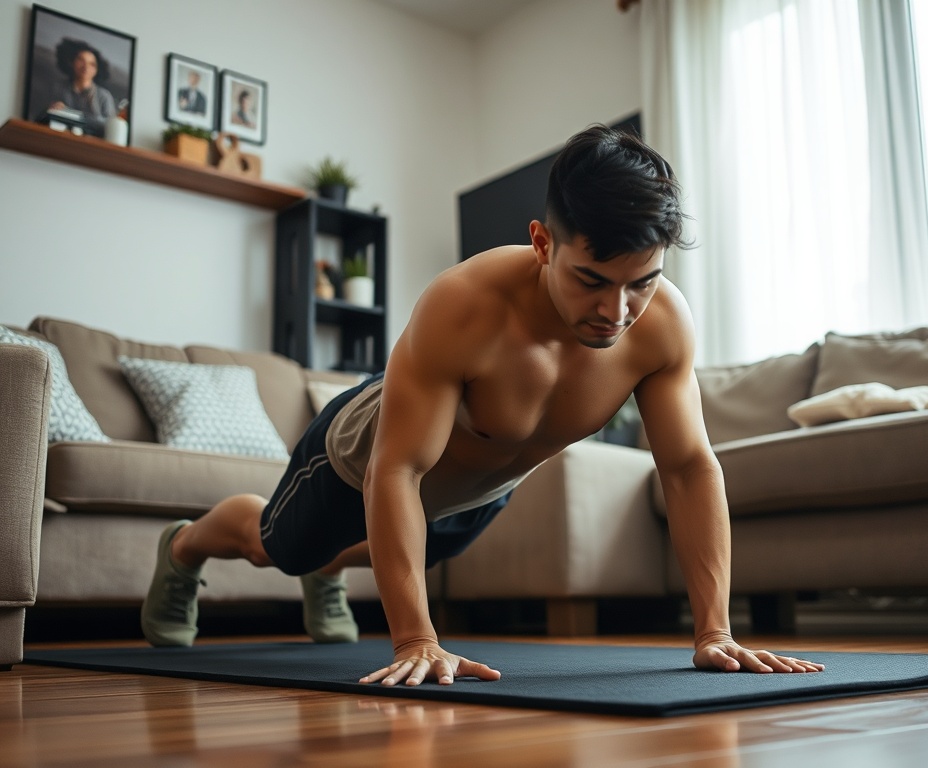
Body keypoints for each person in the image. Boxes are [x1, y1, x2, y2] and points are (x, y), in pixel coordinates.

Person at [141, 125, 824, 685]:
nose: (617, 311)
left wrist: (715, 632)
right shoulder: (462, 304)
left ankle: (327, 569)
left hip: (479, 492)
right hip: (362, 461)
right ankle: (185, 546)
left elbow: (688, 469)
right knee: (276, 549)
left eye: (641, 283)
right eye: (591, 280)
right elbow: (397, 472)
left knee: (373, 549)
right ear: (541, 243)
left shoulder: (663, 324)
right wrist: (415, 639)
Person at [48, 37, 117, 137]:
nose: (86, 66)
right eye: (81, 60)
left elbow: (110, 126)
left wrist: (72, 114)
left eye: (91, 64)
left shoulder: (104, 96)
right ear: (72, 62)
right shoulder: (58, 88)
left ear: (97, 69)